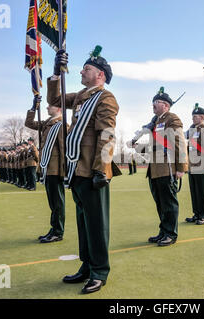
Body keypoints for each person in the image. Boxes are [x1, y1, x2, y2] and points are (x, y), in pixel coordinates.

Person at [47, 45, 121, 294]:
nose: (81, 71)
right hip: (75, 169)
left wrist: (101, 169)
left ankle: (100, 271)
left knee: (97, 224)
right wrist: (57, 73)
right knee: (83, 223)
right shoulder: (80, 96)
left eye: (87, 68)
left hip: (92, 170)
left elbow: (107, 133)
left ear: (100, 74)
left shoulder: (105, 98)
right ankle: (87, 266)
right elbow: (55, 100)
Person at [131, 87, 188, 247]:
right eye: (153, 102)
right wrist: (138, 146)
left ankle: (170, 234)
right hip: (154, 169)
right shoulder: (155, 122)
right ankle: (163, 231)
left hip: (167, 167)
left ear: (166, 105)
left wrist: (181, 167)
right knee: (160, 203)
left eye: (157, 102)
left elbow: (179, 143)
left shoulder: (172, 119)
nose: (154, 105)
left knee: (169, 203)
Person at [25, 95, 67, 243]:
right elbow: (29, 123)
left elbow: (64, 150)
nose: (47, 107)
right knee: (52, 202)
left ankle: (58, 231)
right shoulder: (48, 123)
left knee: (57, 202)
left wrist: (64, 171)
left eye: (51, 105)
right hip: (47, 167)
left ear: (60, 108)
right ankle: (54, 228)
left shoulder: (61, 124)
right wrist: (34, 108)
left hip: (56, 169)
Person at [185, 103, 204, 225]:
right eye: (193, 116)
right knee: (194, 191)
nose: (193, 118)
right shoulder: (192, 130)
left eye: (196, 116)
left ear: (202, 117)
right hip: (192, 165)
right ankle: (196, 214)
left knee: (202, 192)